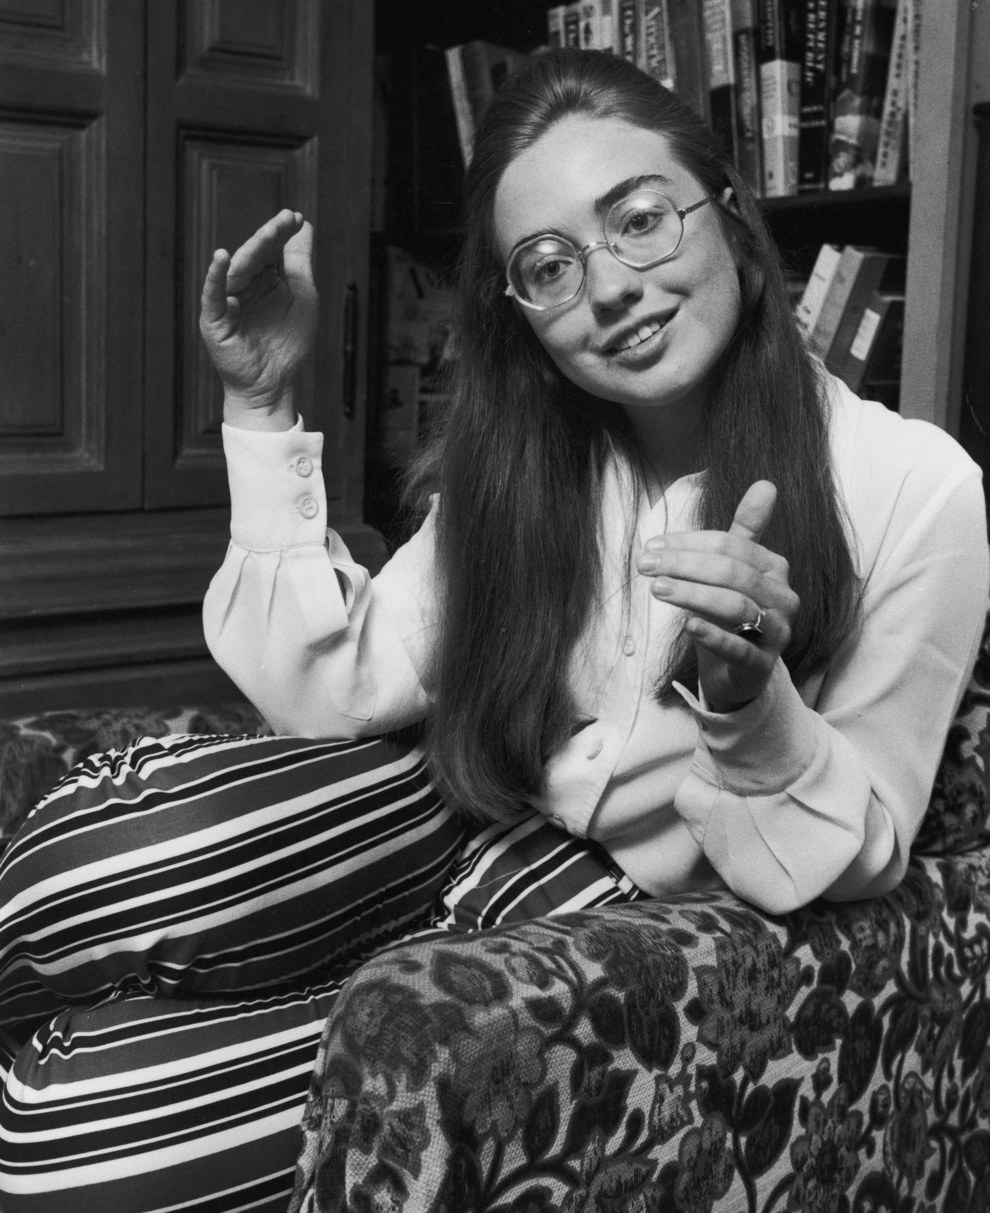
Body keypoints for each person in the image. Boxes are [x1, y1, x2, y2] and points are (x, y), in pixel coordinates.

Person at [0, 47, 985, 1213]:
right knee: (90, 854)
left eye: (639, 220)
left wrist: (748, 700)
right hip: (451, 811)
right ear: (521, 313)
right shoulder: (522, 456)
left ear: (729, 214)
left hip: (608, 925)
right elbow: (337, 685)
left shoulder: (914, 486)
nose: (609, 288)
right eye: (550, 265)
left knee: (56, 1122)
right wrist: (262, 406)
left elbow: (866, 847)